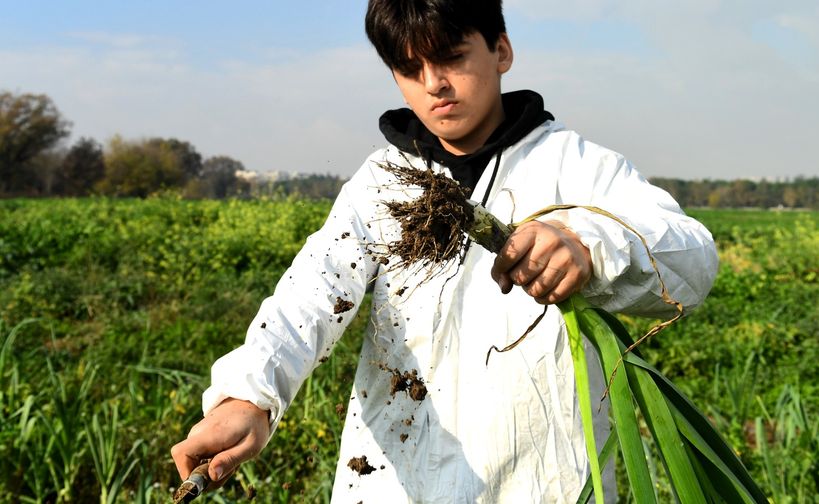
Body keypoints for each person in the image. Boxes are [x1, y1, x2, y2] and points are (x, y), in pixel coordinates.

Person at [171, 0, 718, 501]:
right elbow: (310, 297)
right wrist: (249, 397)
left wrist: (593, 244)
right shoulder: (382, 182)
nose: (435, 85)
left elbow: (694, 262)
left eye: (452, 58)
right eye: (410, 70)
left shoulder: (578, 170)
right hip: (393, 482)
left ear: (501, 51)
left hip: (544, 482)